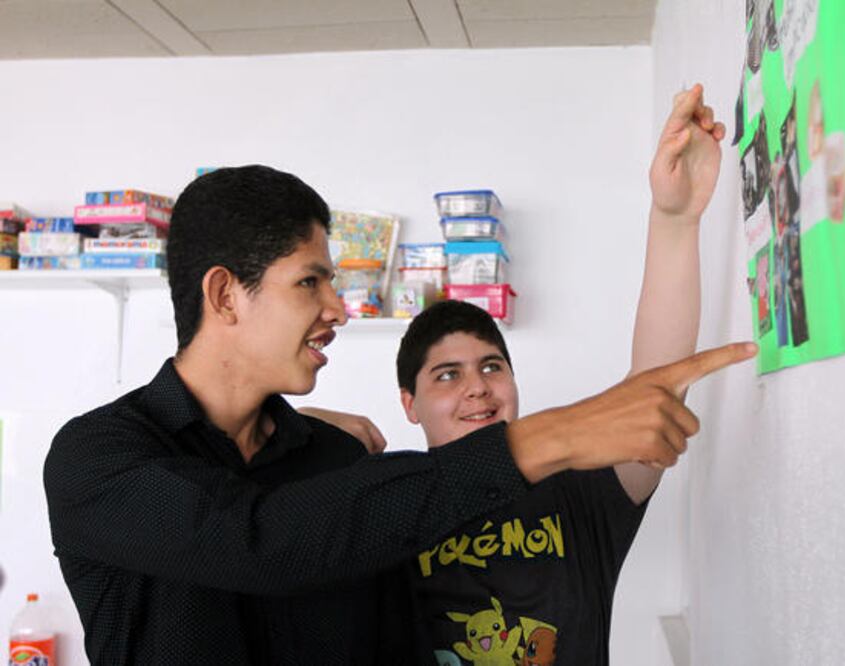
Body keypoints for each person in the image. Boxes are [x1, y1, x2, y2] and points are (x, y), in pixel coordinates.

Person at [44, 113, 753, 665]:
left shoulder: (332, 458)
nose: (337, 308)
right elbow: (258, 540)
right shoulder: (96, 458)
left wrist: (672, 222)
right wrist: (551, 435)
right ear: (226, 295)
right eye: (310, 282)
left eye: (492, 367)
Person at [304, 84, 732, 664]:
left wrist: (676, 219)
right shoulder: (385, 505)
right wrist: (298, 430)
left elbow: (653, 385)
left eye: (490, 366)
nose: (477, 386)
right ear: (409, 404)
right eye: (447, 376)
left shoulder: (578, 493)